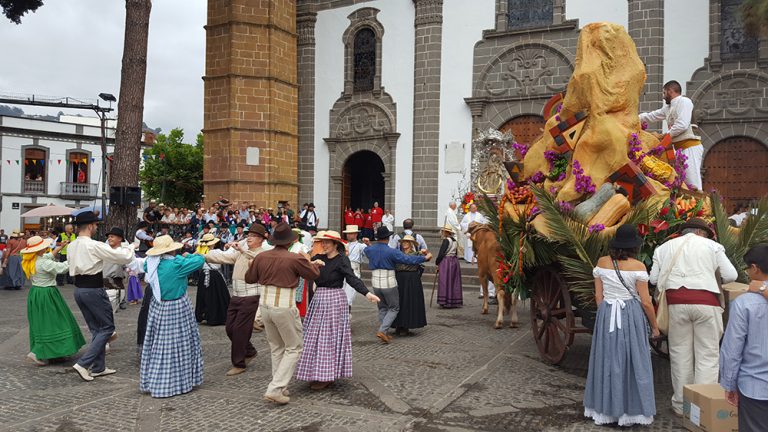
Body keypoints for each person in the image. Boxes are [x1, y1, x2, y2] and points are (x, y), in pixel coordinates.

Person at [649, 217, 738, 416]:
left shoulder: (664, 248)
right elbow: (731, 275)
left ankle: (682, 405)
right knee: (707, 355)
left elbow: (654, 279)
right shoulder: (712, 246)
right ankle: (702, 409)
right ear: (701, 232)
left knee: (680, 355)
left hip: (675, 305)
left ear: (684, 231)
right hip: (706, 304)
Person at [584, 225, 658, 426]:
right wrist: (655, 326)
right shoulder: (638, 267)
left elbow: (598, 296)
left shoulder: (602, 262)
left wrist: (605, 315)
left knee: (607, 359)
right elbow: (645, 302)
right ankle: (631, 411)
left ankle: (606, 410)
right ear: (634, 246)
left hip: (607, 313)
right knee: (633, 360)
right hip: (630, 314)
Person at [244, 223, 322, 405]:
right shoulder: (294, 258)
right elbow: (313, 275)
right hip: (284, 305)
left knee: (276, 347)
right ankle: (276, 388)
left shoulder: (262, 256)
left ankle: (280, 386)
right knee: (294, 347)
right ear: (290, 241)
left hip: (264, 305)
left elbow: (249, 278)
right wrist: (310, 261)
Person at [295, 231, 380, 390]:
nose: (324, 245)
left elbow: (351, 277)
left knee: (328, 338)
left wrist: (367, 293)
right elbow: (301, 265)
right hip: (319, 299)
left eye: (327, 242)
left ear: (336, 245)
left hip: (334, 300)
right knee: (314, 337)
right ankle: (316, 372)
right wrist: (306, 259)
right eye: (322, 242)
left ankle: (327, 375)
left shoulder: (342, 260)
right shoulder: (318, 258)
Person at [67, 212, 135, 382]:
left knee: (96, 329)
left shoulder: (72, 245)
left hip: (79, 290)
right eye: (96, 225)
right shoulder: (93, 245)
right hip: (93, 289)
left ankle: (98, 367)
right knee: (106, 328)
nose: (97, 228)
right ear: (90, 226)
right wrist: (131, 247)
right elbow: (124, 257)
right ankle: (83, 364)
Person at [140, 235, 206, 398]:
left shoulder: (151, 263)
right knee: (181, 343)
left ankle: (156, 380)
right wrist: (187, 254)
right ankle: (177, 381)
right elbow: (200, 260)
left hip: (158, 306)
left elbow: (147, 264)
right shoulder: (177, 264)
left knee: (159, 343)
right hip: (177, 306)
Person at [204, 224, 269, 376]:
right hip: (237, 295)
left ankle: (239, 363)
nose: (249, 238)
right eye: (248, 235)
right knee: (230, 328)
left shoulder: (263, 253)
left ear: (260, 239)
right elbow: (224, 257)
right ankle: (250, 351)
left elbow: (260, 260)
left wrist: (242, 250)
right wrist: (203, 256)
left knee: (240, 330)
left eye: (252, 236)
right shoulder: (241, 253)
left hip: (251, 296)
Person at [719, 244, 768, 431]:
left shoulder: (744, 303)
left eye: (748, 268)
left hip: (755, 386)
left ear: (755, 268)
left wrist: (729, 384)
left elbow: (733, 348)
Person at [21, 235, 85, 366]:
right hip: (47, 294)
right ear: (39, 249)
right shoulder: (43, 263)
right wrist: (76, 257)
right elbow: (62, 268)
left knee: (41, 324)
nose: (46, 247)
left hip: (36, 293)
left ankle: (54, 353)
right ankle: (36, 352)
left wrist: (60, 247)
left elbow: (49, 256)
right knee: (55, 323)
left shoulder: (31, 260)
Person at [364, 226, 431, 344]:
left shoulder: (369, 250)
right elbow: (408, 260)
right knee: (394, 307)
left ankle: (384, 330)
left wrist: (369, 244)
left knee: (382, 307)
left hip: (375, 282)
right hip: (389, 281)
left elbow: (369, 251)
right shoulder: (392, 251)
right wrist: (424, 258)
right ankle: (382, 330)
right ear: (388, 238)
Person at [639, 80, 703, 190]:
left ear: (670, 91)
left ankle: (703, 206)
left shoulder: (685, 102)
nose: (663, 97)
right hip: (679, 150)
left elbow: (682, 125)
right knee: (684, 184)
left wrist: (663, 136)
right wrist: (634, 118)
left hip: (690, 147)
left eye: (664, 93)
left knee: (693, 183)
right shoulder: (668, 108)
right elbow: (652, 116)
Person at [391, 235, 428, 336]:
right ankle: (398, 324)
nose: (405, 244)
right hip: (399, 278)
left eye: (407, 242)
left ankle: (406, 325)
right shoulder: (398, 253)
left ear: (411, 244)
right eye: (403, 242)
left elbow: (427, 257)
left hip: (411, 279)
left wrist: (425, 253)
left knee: (409, 301)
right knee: (399, 301)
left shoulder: (415, 254)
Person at [194, 233, 230, 326]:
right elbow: (226, 256)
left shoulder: (199, 252)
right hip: (214, 275)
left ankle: (203, 315)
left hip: (204, 275)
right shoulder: (216, 251)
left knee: (204, 295)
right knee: (217, 296)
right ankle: (216, 317)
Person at [462, 205, 496, 300]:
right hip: (474, 235)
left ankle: (492, 293)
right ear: (470, 208)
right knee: (483, 272)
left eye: (475, 208)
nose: (474, 209)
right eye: (473, 208)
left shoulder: (480, 215)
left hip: (487, 247)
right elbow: (463, 224)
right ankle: (483, 292)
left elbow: (484, 224)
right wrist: (470, 225)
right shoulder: (467, 215)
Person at [435, 225, 463, 308]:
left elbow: (441, 253)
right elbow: (457, 252)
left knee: (444, 280)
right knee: (453, 280)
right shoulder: (454, 241)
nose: (442, 233)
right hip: (454, 261)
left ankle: (445, 300)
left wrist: (437, 262)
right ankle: (453, 300)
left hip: (446, 261)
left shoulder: (446, 241)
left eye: (443, 231)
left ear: (446, 232)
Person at [103, 227, 129, 313]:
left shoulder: (124, 251)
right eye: (109, 237)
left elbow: (127, 265)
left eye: (112, 236)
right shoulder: (104, 250)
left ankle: (121, 302)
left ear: (120, 239)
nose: (109, 238)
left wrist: (126, 272)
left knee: (109, 312)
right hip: (103, 281)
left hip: (115, 281)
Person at [342, 225, 366, 308]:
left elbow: (370, 253)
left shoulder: (361, 246)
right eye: (347, 234)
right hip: (343, 271)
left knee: (348, 298)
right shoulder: (343, 245)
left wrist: (368, 244)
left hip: (354, 271)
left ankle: (347, 316)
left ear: (355, 234)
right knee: (341, 296)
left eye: (350, 233)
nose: (348, 235)